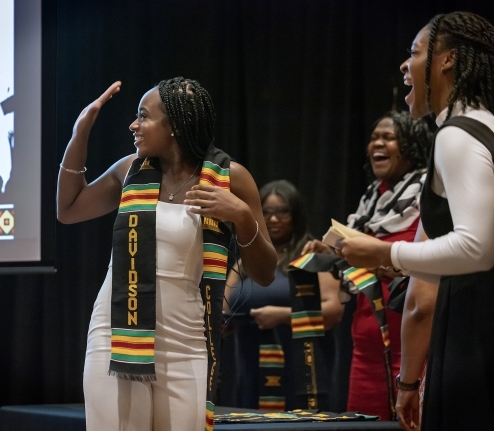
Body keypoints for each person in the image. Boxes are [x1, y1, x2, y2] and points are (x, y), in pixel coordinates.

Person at [57, 78, 277, 431]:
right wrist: (80, 132)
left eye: (143, 117)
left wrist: (241, 216)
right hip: (117, 336)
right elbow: (68, 209)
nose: (134, 125)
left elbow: (265, 274)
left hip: (184, 342)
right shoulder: (130, 169)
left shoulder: (231, 178)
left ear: (174, 126)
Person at [338, 12, 494, 431]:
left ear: (448, 60)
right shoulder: (486, 130)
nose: (405, 66)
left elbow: (477, 247)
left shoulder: (456, 135)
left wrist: (384, 251)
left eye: (415, 52)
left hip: (471, 343)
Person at [303, 110, 433, 420]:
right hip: (366, 342)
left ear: (410, 145)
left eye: (388, 137)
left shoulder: (428, 194)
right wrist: (331, 252)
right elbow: (363, 261)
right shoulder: (371, 198)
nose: (378, 143)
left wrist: (378, 260)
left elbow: (433, 261)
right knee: (361, 423)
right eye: (374, 138)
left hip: (411, 339)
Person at [219, 179, 343, 411]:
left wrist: (283, 316)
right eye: (266, 212)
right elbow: (224, 306)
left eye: (282, 211)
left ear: (296, 214)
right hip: (249, 367)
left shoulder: (311, 253)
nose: (274, 219)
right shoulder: (248, 259)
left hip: (301, 366)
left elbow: (334, 311)